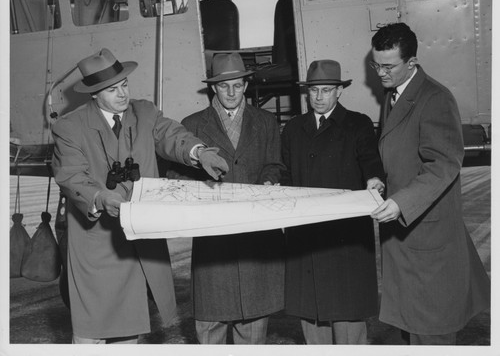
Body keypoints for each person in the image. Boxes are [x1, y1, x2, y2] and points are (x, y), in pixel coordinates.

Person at [51, 48, 229, 344]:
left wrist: (197, 151)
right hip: (97, 243)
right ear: (94, 94)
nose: (122, 94)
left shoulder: (144, 112)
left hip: (137, 238)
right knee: (90, 333)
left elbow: (171, 135)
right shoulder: (69, 127)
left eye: (124, 85)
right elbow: (71, 176)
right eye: (112, 89)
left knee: (129, 328)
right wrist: (100, 198)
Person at [370, 22, 490, 345]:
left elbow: (444, 163)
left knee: (432, 336)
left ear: (412, 62)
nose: (380, 72)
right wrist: (382, 180)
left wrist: (400, 202)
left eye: (388, 66)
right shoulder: (394, 94)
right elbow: (403, 155)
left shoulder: (435, 98)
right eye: (376, 64)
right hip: (408, 242)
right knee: (413, 333)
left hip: (428, 244)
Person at [168, 52, 285, 344]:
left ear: (246, 85)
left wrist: (270, 179)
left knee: (254, 329)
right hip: (214, 245)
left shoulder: (267, 122)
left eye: (237, 85)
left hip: (256, 241)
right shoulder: (192, 125)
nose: (231, 92)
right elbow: (176, 177)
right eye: (223, 86)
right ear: (213, 88)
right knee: (211, 327)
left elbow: (275, 163)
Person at [280, 59, 385, 344]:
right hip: (305, 237)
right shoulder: (293, 129)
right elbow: (285, 172)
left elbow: (370, 160)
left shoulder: (358, 124)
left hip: (345, 239)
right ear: (307, 93)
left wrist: (374, 179)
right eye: (313, 91)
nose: (319, 97)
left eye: (326, 90)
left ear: (339, 91)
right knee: (312, 316)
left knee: (348, 317)